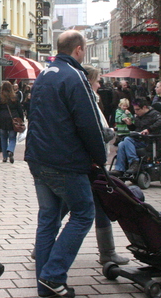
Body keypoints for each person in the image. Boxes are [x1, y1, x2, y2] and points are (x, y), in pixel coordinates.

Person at [25, 30, 107, 297]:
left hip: (38, 157)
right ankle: (53, 274)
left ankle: (46, 285)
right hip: (65, 160)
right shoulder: (75, 77)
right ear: (79, 50)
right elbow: (88, 122)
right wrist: (99, 157)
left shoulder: (44, 76)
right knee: (84, 213)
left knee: (48, 218)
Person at [83, 66, 129, 265]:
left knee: (65, 206)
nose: (99, 84)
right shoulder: (88, 101)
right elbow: (95, 130)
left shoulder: (89, 99)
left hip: (88, 161)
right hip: (91, 162)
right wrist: (108, 133)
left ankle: (41, 248)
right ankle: (108, 252)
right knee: (97, 205)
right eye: (97, 80)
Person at [111, 98, 161, 175]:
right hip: (138, 139)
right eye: (135, 110)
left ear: (144, 107)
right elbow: (136, 128)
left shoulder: (154, 114)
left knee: (127, 139)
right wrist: (130, 124)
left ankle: (134, 162)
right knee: (122, 143)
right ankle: (119, 169)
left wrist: (149, 129)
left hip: (149, 140)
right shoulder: (138, 116)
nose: (136, 112)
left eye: (138, 110)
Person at [0, 81, 23, 164]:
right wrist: (21, 119)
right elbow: (20, 109)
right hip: (13, 119)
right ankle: (10, 150)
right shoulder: (15, 97)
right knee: (12, 137)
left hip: (2, 119)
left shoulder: (0, 98)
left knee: (3, 138)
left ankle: (4, 157)